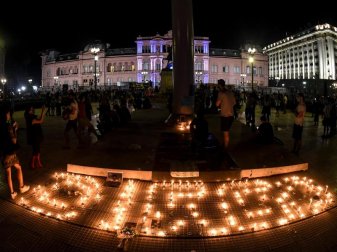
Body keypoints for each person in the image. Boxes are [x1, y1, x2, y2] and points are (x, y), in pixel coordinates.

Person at [0, 107, 30, 199]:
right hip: (10, 151)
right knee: (19, 168)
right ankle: (21, 187)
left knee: (8, 173)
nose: (9, 115)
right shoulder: (8, 127)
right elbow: (14, 141)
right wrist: (15, 130)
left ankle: (12, 193)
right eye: (8, 114)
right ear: (6, 115)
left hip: (3, 152)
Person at [216, 79, 236, 149]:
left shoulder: (221, 93)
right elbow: (234, 103)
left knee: (225, 133)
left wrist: (221, 102)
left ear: (219, 85)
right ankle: (225, 145)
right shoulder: (230, 92)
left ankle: (225, 149)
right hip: (231, 115)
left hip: (225, 116)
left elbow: (217, 104)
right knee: (226, 132)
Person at [24, 105, 46, 169]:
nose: (33, 110)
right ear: (29, 111)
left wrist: (42, 112)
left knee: (37, 149)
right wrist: (43, 111)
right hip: (34, 136)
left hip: (37, 135)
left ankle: (37, 162)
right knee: (35, 150)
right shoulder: (30, 118)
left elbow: (39, 119)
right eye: (31, 109)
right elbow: (41, 121)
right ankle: (33, 163)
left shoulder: (32, 117)